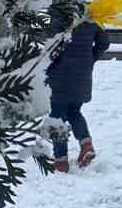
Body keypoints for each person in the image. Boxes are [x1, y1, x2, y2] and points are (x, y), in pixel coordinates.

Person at [45, 17, 111, 171]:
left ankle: (61, 159)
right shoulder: (92, 17)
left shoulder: (59, 16)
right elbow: (104, 43)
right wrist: (89, 58)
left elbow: (51, 47)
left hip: (59, 76)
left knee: (56, 117)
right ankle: (86, 144)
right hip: (82, 76)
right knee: (74, 111)